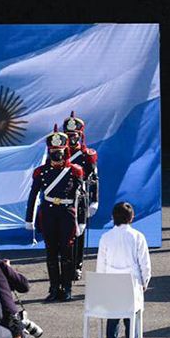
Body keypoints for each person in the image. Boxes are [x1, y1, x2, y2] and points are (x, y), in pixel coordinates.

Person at [25, 128, 86, 302]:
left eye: (59, 152)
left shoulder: (75, 171)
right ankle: (53, 287)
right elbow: (33, 195)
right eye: (53, 152)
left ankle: (66, 288)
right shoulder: (41, 172)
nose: (56, 156)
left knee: (67, 252)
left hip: (67, 214)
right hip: (48, 213)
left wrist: (81, 221)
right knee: (51, 252)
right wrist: (29, 218)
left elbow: (81, 198)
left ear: (64, 151)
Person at [95, 202, 151, 338]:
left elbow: (101, 264)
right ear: (131, 217)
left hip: (111, 283)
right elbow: (145, 264)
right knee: (132, 315)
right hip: (132, 283)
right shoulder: (138, 237)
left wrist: (102, 284)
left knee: (113, 314)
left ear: (113, 217)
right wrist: (145, 282)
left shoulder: (105, 237)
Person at [62, 111, 99, 281]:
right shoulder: (58, 154)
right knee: (62, 233)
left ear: (80, 135)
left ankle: (77, 265)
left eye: (74, 135)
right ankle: (65, 264)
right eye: (68, 135)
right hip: (62, 198)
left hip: (80, 197)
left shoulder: (86, 155)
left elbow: (94, 178)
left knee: (79, 232)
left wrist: (94, 200)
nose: (71, 139)